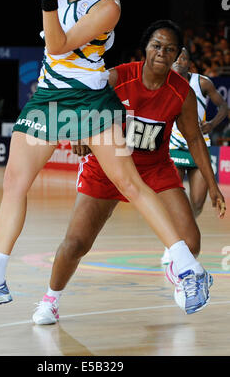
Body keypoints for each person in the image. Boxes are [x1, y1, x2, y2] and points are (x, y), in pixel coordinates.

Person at [0, 0, 218, 314]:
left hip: (89, 100)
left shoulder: (109, 6)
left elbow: (57, 47)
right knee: (14, 182)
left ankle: (189, 268)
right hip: (49, 97)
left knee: (130, 183)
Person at [31, 20, 226, 324]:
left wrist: (213, 187)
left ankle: (178, 274)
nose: (163, 52)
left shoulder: (181, 93)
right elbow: (81, 101)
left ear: (177, 55)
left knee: (191, 240)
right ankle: (50, 300)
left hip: (154, 170)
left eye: (170, 49)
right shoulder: (118, 77)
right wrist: (80, 135)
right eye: (157, 46)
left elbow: (195, 141)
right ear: (145, 48)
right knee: (76, 243)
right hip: (107, 167)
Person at [160, 48, 228, 264]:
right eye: (177, 57)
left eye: (185, 57)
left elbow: (224, 107)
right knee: (173, 200)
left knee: (196, 204)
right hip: (174, 146)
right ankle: (172, 244)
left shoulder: (203, 82)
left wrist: (211, 124)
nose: (180, 59)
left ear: (189, 63)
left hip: (199, 146)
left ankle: (178, 237)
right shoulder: (162, 81)